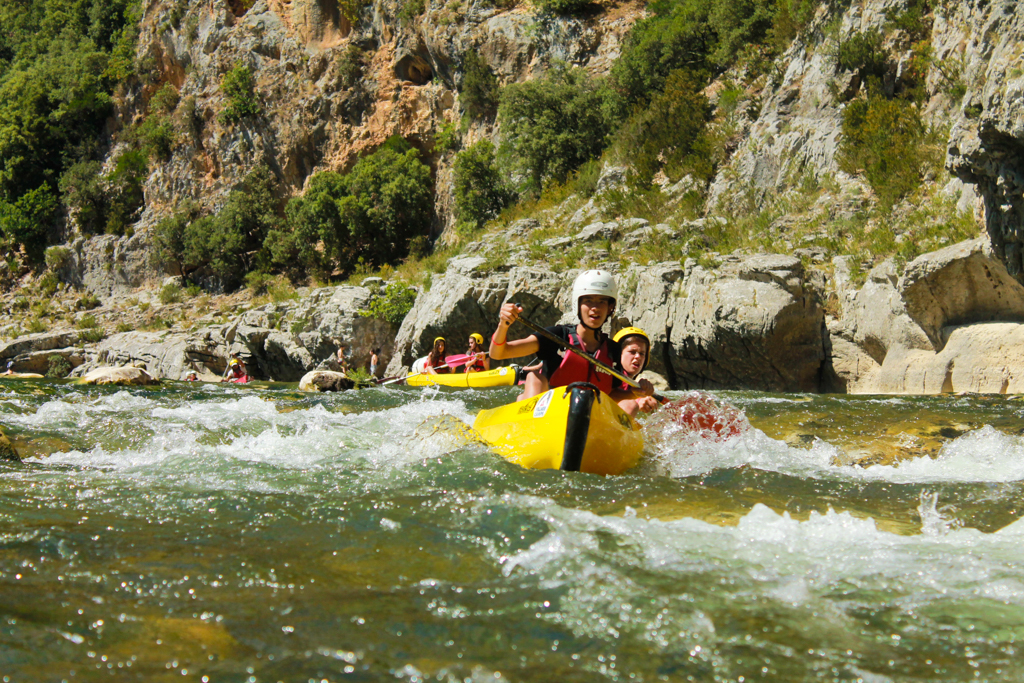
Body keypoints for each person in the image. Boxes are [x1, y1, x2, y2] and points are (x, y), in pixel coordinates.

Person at [490, 269, 653, 403]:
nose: (595, 308)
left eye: (602, 302)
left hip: (585, 415)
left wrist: (637, 392)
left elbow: (610, 394)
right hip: (548, 411)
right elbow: (499, 353)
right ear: (578, 304)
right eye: (588, 301)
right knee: (534, 378)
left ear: (610, 308)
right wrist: (503, 325)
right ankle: (522, 403)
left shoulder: (613, 351)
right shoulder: (556, 336)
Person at [612, 327, 661, 417]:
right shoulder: (610, 376)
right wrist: (637, 400)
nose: (638, 356)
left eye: (642, 353)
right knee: (630, 406)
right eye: (632, 352)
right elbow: (609, 394)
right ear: (618, 354)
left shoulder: (630, 384)